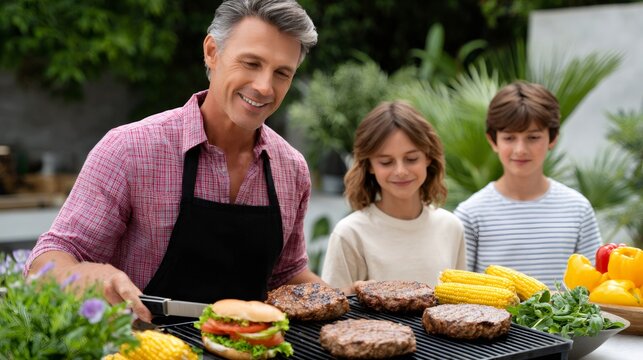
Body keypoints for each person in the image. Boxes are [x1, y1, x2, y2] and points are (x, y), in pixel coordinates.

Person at [24, 0, 324, 322]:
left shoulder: (291, 168)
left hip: (249, 349)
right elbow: (45, 263)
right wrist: (88, 275)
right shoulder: (130, 149)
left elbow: (287, 276)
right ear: (212, 52)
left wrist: (349, 303)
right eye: (251, 63)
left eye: (282, 73)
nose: (265, 86)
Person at [454, 81, 602, 289]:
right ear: (493, 140)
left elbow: (595, 285)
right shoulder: (471, 214)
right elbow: (460, 288)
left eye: (533, 137)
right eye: (509, 138)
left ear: (552, 138)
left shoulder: (578, 209)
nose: (520, 149)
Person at [321, 101, 467, 294]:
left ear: (428, 157)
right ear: (370, 166)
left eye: (411, 159)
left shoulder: (451, 227)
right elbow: (332, 308)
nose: (400, 171)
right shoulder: (350, 234)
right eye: (386, 162)